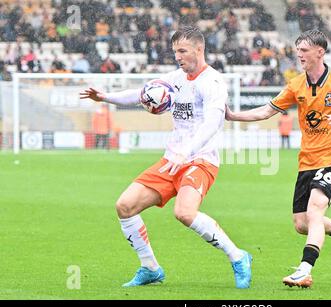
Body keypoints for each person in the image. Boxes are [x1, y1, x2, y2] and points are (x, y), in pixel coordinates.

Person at [80, 26, 252, 288]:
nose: (178, 57)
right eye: (175, 52)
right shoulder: (175, 78)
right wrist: (105, 97)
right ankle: (150, 267)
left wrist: (188, 151)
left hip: (200, 160)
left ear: (199, 49)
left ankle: (238, 257)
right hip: (171, 160)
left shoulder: (213, 82)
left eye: (182, 51)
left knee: (184, 212)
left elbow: (213, 122)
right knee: (125, 206)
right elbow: (140, 94)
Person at [226, 29, 331, 288]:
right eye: (298, 50)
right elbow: (267, 111)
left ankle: (304, 270)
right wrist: (233, 116)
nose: (299, 55)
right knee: (302, 224)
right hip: (306, 163)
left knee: (314, 212)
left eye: (304, 50)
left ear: (320, 52)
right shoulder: (296, 85)